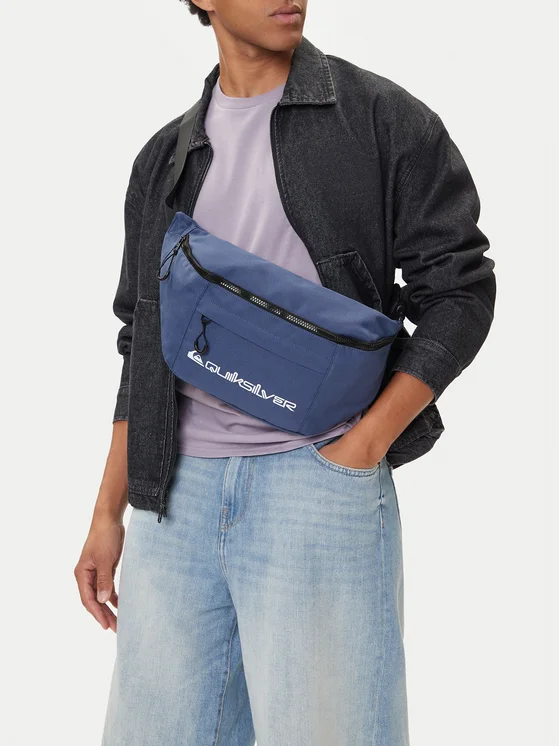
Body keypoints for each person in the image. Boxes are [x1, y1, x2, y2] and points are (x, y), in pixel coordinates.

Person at [74, 2, 496, 744]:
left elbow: (459, 291)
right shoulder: (164, 157)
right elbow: (142, 335)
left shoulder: (381, 119)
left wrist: (363, 446)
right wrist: (108, 513)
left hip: (317, 482)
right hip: (173, 500)